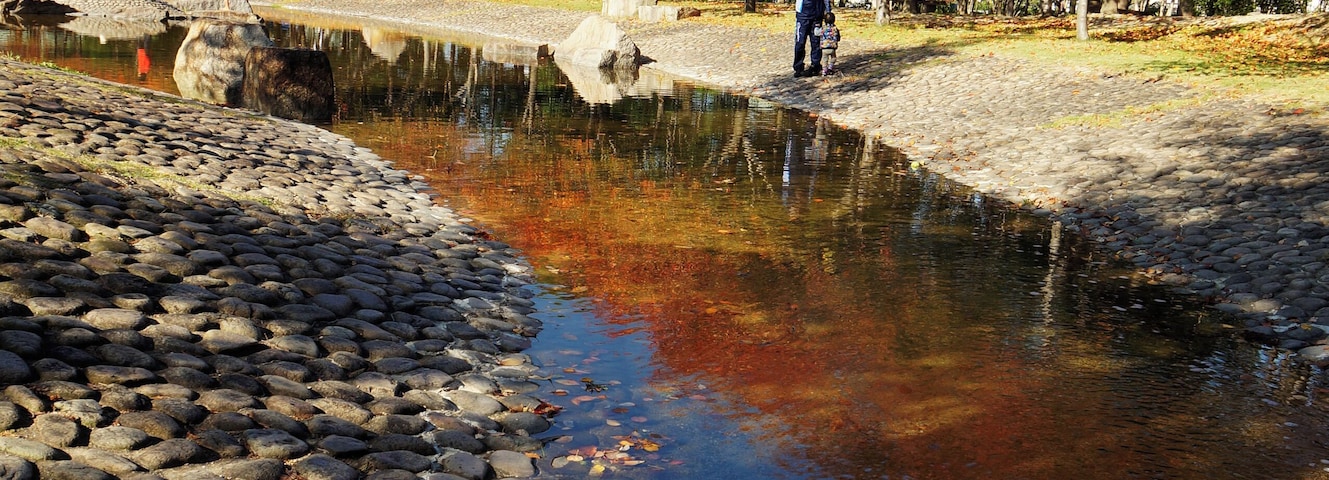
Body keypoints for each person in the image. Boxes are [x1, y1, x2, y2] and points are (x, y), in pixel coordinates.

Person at [792, 0, 830, 78]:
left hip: (817, 16)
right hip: (803, 16)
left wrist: (828, 11)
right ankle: (798, 67)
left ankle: (815, 66)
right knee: (800, 43)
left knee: (816, 43)